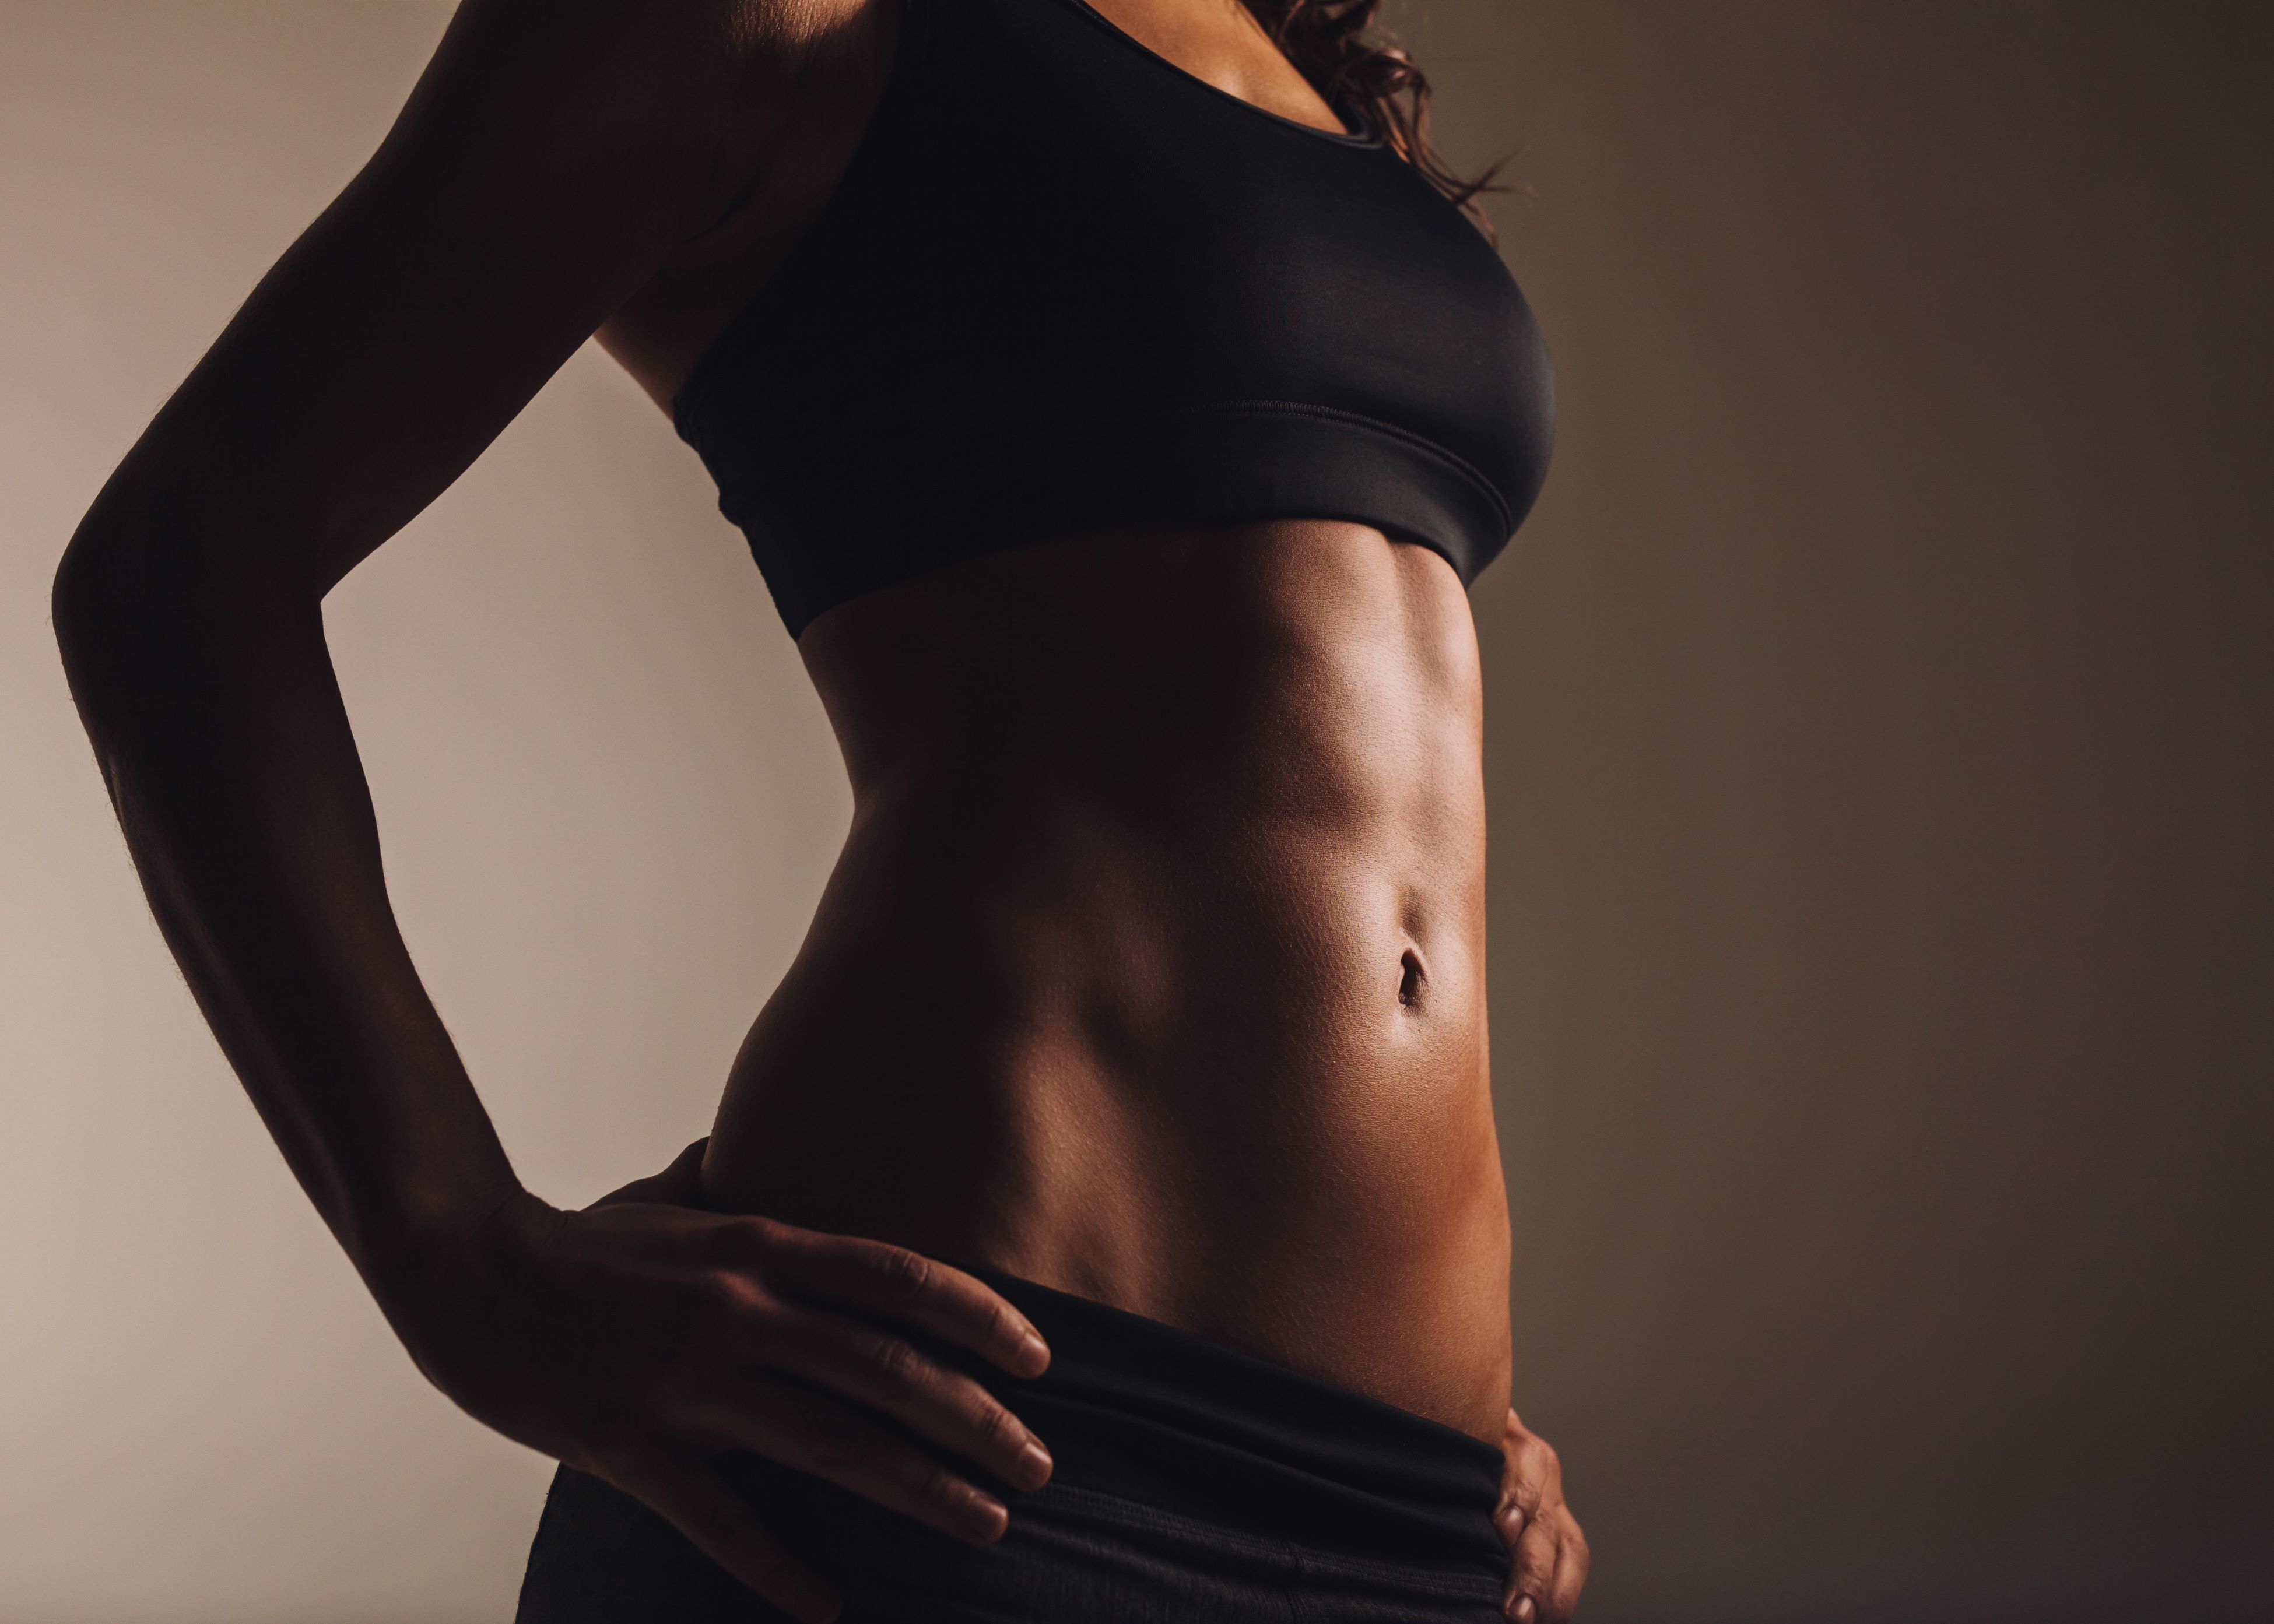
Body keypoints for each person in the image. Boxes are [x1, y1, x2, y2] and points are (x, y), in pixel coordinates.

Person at [51, 0, 1589, 1617]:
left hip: (1414, 1517)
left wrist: (1438, 1388)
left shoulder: (1298, 80)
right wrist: (452, 1246)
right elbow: (181, 557)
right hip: (956, 1437)